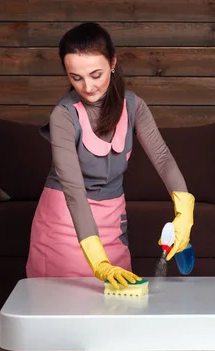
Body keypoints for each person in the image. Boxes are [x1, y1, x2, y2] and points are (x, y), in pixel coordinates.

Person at [26, 22, 195, 289]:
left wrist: (185, 211)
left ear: (113, 62)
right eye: (76, 77)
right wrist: (98, 261)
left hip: (112, 221)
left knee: (116, 304)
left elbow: (162, 158)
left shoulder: (134, 106)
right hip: (66, 222)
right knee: (63, 308)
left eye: (96, 74)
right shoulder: (63, 115)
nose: (88, 87)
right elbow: (73, 189)